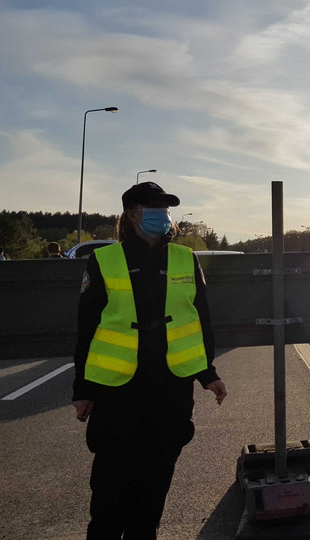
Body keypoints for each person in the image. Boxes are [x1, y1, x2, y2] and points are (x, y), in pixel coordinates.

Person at [72, 181, 227, 539]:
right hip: (117, 394)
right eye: (153, 206)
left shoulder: (185, 259)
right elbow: (87, 328)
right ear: (131, 213)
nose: (162, 214)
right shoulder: (104, 260)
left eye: (165, 207)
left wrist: (208, 374)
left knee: (151, 499)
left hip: (170, 390)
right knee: (110, 501)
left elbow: (200, 321)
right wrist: (82, 389)